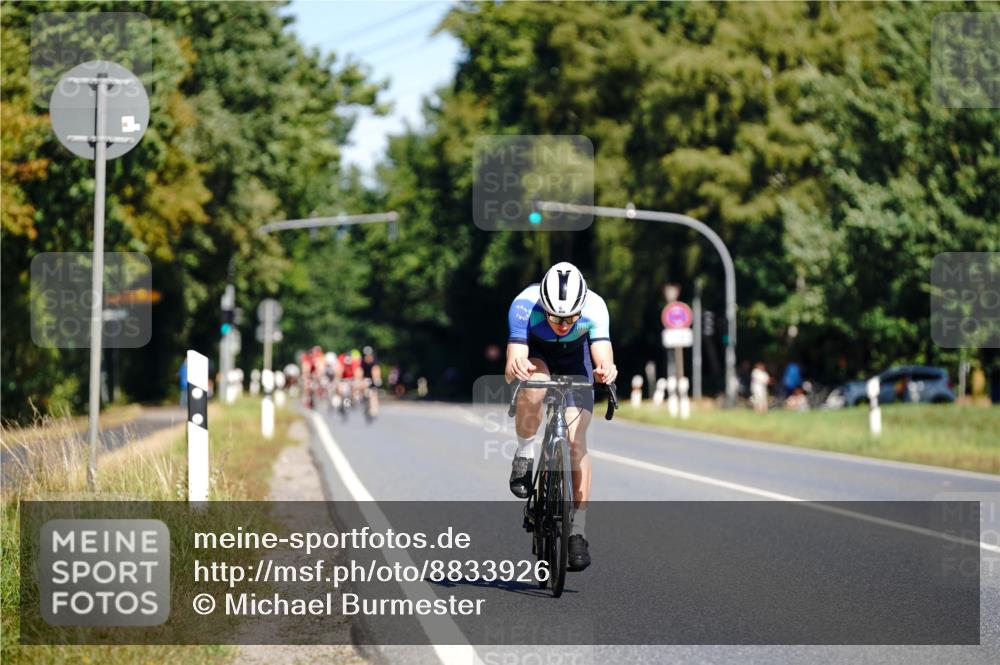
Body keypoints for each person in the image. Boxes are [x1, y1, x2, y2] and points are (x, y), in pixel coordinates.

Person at [505, 261, 617, 572]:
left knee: (575, 442)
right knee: (535, 385)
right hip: (538, 358)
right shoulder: (524, 305)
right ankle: (525, 454)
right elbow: (513, 359)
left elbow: (603, 355)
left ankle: (577, 532)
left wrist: (607, 370)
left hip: (575, 364)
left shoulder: (595, 307)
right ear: (543, 304)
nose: (564, 325)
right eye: (555, 317)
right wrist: (518, 368)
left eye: (570, 318)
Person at [361, 345, 382, 417]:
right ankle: (364, 401)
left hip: (373, 378)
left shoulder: (375, 362)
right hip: (365, 378)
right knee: (364, 389)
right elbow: (359, 372)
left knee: (374, 393)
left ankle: (374, 408)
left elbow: (376, 370)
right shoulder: (362, 362)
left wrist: (377, 379)